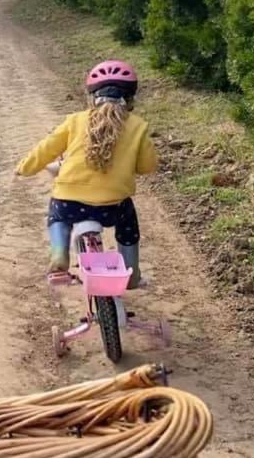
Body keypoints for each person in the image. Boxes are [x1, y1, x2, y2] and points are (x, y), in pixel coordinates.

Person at [16, 61, 158, 288]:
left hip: (70, 203)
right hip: (113, 208)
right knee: (128, 225)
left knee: (57, 216)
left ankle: (59, 255)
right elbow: (147, 166)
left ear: (92, 97)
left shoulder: (75, 121)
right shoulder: (138, 126)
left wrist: (25, 167)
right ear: (130, 100)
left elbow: (47, 149)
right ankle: (132, 275)